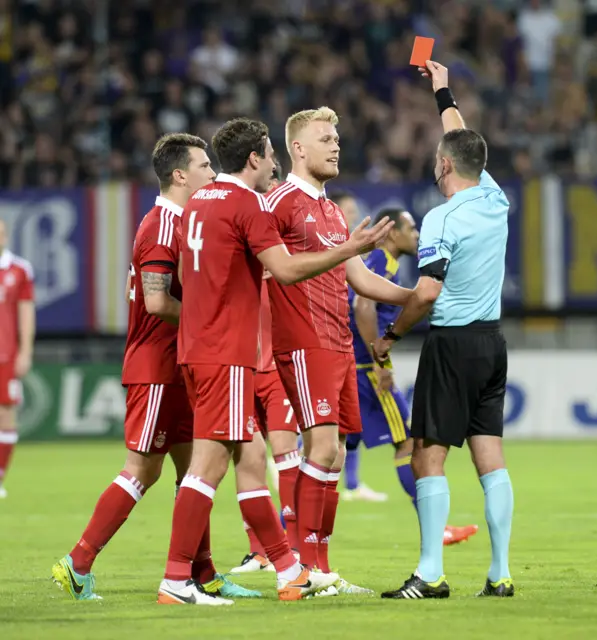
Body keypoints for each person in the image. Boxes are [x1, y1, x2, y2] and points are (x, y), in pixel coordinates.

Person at [158, 117, 393, 605]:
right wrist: (350, 248)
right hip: (228, 349)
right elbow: (284, 270)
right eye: (271, 157)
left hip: (201, 346)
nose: (275, 167)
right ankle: (177, 579)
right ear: (255, 159)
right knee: (207, 466)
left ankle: (289, 569)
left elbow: (182, 273)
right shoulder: (249, 204)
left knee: (246, 460)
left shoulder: (197, 204)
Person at [52, 133, 257, 601]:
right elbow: (156, 299)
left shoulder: (184, 221)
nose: (211, 174)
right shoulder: (162, 225)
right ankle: (78, 561)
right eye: (204, 167)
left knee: (196, 472)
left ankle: (201, 574)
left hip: (182, 361)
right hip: (157, 364)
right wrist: (211, 321)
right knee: (142, 470)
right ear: (180, 175)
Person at [373, 61, 514, 599]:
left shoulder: (440, 219)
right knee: (490, 460)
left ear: (445, 165)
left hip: (451, 344)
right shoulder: (495, 198)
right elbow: (459, 133)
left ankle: (431, 573)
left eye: (439, 156)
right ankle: (500, 574)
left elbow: (427, 294)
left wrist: (393, 336)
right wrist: (442, 90)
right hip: (492, 344)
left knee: (426, 456)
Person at [266, 107, 414, 596]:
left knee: (335, 456)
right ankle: (298, 570)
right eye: (324, 138)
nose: (334, 145)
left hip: (340, 345)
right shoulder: (280, 202)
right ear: (298, 149)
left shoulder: (330, 209)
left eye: (337, 137)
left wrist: (414, 297)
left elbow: (359, 278)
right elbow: (279, 269)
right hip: (303, 341)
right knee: (322, 448)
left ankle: (320, 568)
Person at [349, 207, 479, 546]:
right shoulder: (378, 261)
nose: (418, 235)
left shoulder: (386, 265)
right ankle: (437, 529)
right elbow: (363, 307)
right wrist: (378, 359)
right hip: (366, 367)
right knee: (406, 440)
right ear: (393, 234)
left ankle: (277, 541)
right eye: (412, 228)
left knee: (329, 451)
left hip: (354, 364)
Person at [230, 162, 304, 575]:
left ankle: (291, 547)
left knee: (284, 453)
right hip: (241, 365)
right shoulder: (244, 230)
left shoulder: (283, 243)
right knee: (248, 459)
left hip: (276, 366)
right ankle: (259, 550)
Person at [330, 190, 388, 503]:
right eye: (347, 209)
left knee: (350, 424)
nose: (352, 215)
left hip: (353, 351)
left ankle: (351, 485)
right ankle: (293, 461)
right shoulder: (330, 251)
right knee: (333, 424)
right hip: (339, 350)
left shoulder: (355, 255)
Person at [0, 220, 35, 500]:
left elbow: (26, 313)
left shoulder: (19, 270)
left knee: (6, 417)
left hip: (5, 357)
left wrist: (25, 352)